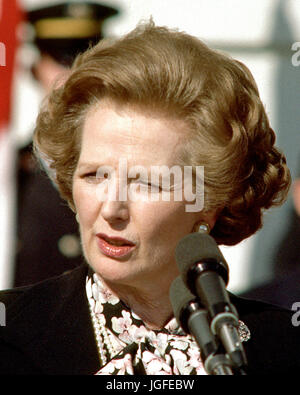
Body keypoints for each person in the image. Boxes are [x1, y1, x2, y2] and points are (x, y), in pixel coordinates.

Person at [0, 21, 299, 375]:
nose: (111, 208)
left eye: (147, 183)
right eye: (94, 175)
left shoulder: (284, 347)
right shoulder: (10, 337)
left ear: (210, 201)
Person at [14, 1, 118, 287]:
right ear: (35, 68)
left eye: (84, 57)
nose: (74, 73)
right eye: (62, 58)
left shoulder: (124, 167)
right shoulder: (11, 170)